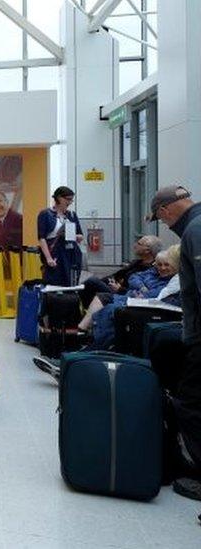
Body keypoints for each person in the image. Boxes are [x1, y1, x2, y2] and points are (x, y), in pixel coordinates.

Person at [148, 185, 201, 501]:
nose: (164, 225)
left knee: (190, 404)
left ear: (166, 210)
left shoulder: (195, 230)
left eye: (160, 218)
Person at [76, 246, 179, 349]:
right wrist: (142, 287)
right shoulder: (146, 267)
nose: (162, 268)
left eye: (166, 265)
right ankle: (86, 332)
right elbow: (134, 277)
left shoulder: (170, 280)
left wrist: (129, 290)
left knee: (108, 304)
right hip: (129, 294)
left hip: (138, 299)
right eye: (159, 265)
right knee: (98, 292)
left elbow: (154, 294)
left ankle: (96, 341)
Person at [78, 235, 162, 308]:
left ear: (147, 250)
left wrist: (120, 289)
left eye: (139, 244)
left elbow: (142, 291)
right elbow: (116, 275)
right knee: (95, 284)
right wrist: (112, 282)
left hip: (125, 295)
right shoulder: (136, 263)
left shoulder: (153, 269)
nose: (135, 245)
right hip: (116, 288)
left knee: (92, 282)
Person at [38, 186, 84, 286]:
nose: (70, 202)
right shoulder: (45, 214)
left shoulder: (71, 215)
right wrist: (48, 258)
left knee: (71, 282)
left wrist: (73, 236)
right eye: (68, 199)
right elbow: (42, 238)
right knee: (54, 282)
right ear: (59, 198)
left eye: (71, 200)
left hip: (72, 254)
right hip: (56, 254)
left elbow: (80, 235)